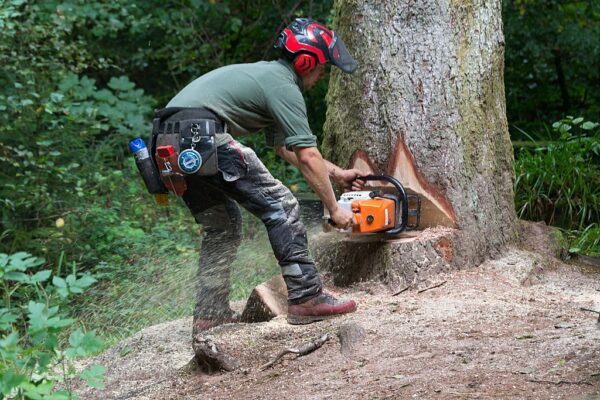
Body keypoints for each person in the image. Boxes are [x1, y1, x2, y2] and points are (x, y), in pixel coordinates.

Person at [151, 18, 363, 335]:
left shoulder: (268, 78)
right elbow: (307, 155)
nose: (321, 75)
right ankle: (307, 296)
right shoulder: (283, 85)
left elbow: (287, 149)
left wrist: (338, 174)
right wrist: (334, 209)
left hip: (167, 140)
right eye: (321, 68)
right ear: (306, 61)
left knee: (223, 224)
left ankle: (210, 313)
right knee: (281, 205)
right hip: (201, 133)